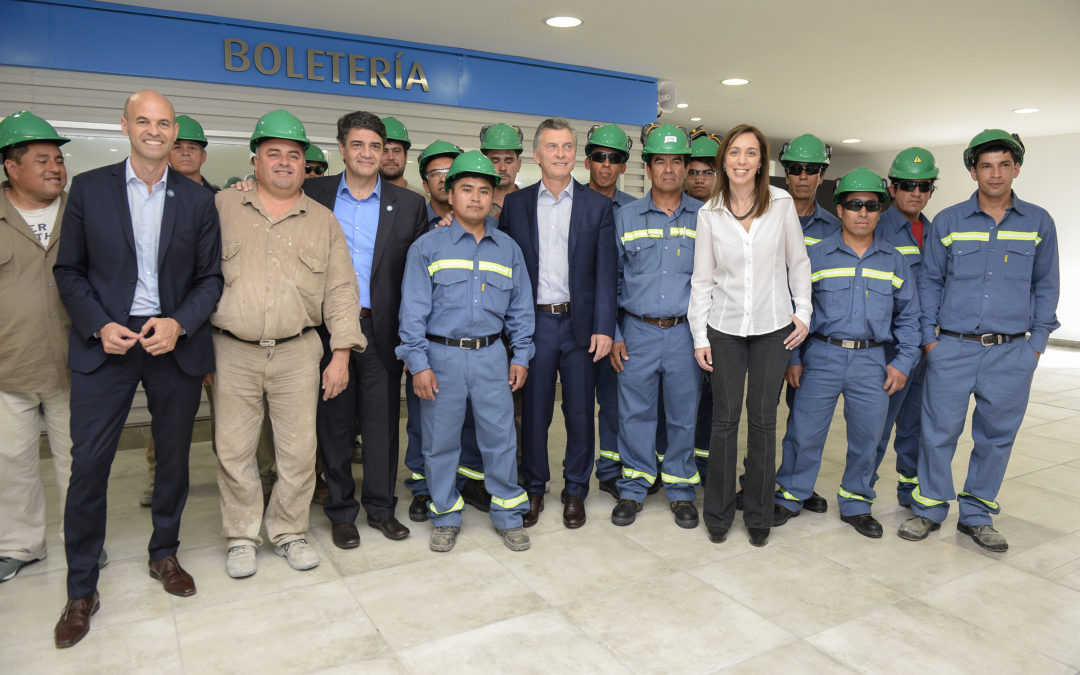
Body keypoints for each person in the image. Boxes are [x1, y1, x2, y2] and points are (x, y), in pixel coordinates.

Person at [52, 90, 222, 648]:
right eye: (144, 121)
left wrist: (180, 323)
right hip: (108, 343)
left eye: (164, 122)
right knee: (89, 465)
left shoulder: (198, 202)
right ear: (124, 125)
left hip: (170, 342)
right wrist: (99, 324)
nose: (154, 130)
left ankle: (165, 554)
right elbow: (69, 270)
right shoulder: (91, 189)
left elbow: (210, 281)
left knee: (173, 457)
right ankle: (81, 588)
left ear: (176, 132)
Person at [211, 109, 365, 578]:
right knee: (233, 449)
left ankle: (288, 530)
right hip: (232, 349)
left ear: (305, 164)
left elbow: (341, 291)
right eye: (273, 153)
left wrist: (340, 356)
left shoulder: (323, 221)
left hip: (300, 351)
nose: (283, 162)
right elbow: (194, 277)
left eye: (293, 155)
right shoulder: (220, 208)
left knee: (298, 451)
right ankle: (241, 535)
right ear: (255, 160)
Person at [899, 129, 1059, 552]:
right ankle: (930, 508)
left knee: (996, 436)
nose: (995, 173)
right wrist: (931, 341)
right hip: (952, 346)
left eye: (1004, 164)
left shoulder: (1039, 222)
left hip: (1012, 351)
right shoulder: (950, 222)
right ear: (973, 171)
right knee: (937, 432)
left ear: (1017, 168)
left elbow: (1046, 285)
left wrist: (1036, 344)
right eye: (986, 165)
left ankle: (977, 514)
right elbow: (930, 282)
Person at [398, 150, 535, 552]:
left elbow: (521, 311)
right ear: (450, 194)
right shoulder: (427, 248)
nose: (475, 198)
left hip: (493, 356)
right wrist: (418, 364)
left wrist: (521, 356)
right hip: (441, 359)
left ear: (494, 197)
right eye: (466, 189)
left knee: (500, 438)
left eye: (483, 190)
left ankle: (508, 514)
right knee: (440, 442)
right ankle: (445, 515)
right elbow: (412, 313)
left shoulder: (508, 249)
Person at [773, 168, 920, 538]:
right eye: (854, 204)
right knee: (803, 432)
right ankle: (791, 494)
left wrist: (903, 362)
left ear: (879, 210)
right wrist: (793, 358)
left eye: (871, 205)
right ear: (839, 209)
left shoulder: (894, 260)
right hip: (821, 357)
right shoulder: (816, 257)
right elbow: (796, 309)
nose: (862, 212)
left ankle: (856, 501)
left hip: (873, 360)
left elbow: (910, 317)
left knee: (868, 437)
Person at [303, 112, 427, 549]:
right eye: (358, 145)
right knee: (333, 422)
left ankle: (380, 508)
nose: (367, 153)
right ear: (342, 149)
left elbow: (419, 268)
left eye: (375, 146)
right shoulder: (312, 192)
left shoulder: (409, 204)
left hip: (381, 330)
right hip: (326, 331)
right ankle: (340, 511)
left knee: (382, 424)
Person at [688, 123, 811, 547]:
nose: (742, 161)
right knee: (724, 422)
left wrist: (804, 314)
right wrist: (699, 336)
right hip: (723, 328)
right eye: (735, 152)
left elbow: (799, 263)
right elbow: (702, 279)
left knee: (763, 422)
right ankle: (718, 513)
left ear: (763, 161)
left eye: (751, 153)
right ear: (724, 160)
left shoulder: (780, 204)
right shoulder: (710, 212)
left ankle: (758, 513)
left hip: (772, 329)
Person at [499, 118, 617, 529]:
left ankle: (575, 490)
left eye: (568, 146)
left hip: (580, 326)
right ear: (537, 155)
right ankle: (534, 489)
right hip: (533, 324)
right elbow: (506, 268)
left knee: (581, 412)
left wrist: (604, 326)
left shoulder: (597, 206)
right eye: (552, 147)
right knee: (534, 412)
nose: (561, 154)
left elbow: (606, 272)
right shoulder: (516, 205)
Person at [608, 124, 704, 529]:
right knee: (636, 413)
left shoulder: (707, 219)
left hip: (686, 333)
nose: (668, 169)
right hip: (637, 331)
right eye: (660, 161)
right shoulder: (625, 216)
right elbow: (610, 280)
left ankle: (682, 490)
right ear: (647, 167)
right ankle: (634, 486)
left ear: (685, 167)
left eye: (677, 161)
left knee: (684, 415)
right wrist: (613, 334)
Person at [0, 111, 81, 582]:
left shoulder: (81, 212)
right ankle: (19, 544)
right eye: (42, 159)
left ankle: (83, 539)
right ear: (12, 167)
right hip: (10, 365)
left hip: (76, 363)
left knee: (80, 462)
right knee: (12, 463)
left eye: (58, 159)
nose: (55, 167)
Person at [402, 140, 493, 520]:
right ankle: (426, 488)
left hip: (479, 349)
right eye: (437, 174)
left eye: (449, 172)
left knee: (473, 423)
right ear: (431, 183)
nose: (445, 181)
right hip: (431, 343)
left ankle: (469, 480)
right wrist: (415, 355)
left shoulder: (491, 231)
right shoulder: (414, 220)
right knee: (428, 422)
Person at [872, 147, 938, 507]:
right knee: (879, 425)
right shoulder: (876, 226)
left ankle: (908, 489)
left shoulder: (935, 230)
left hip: (927, 346)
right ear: (893, 188)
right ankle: (861, 488)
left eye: (924, 185)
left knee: (916, 425)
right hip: (891, 348)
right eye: (908, 185)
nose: (916, 192)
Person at [583, 123, 640, 498]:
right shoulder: (571, 202)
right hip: (571, 319)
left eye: (615, 159)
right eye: (600, 157)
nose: (606, 165)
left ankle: (610, 469)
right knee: (575, 405)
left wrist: (616, 331)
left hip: (613, 324)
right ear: (588, 161)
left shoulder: (634, 211)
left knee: (614, 403)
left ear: (623, 166)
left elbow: (629, 277)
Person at [480, 123, 523, 219]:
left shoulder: (531, 203)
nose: (502, 168)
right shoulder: (474, 203)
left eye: (509, 161)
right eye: (495, 161)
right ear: (485, 164)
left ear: (519, 165)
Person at [379, 116, 427, 197]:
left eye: (396, 151)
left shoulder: (423, 201)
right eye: (384, 151)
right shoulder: (361, 198)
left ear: (406, 156)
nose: (390, 157)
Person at [169, 115, 217, 190]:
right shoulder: (155, 195)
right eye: (177, 147)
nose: (185, 153)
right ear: (166, 156)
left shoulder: (216, 198)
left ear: (203, 156)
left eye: (192, 148)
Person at [684, 130, 720, 201]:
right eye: (693, 173)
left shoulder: (728, 208)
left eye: (708, 173)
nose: (699, 180)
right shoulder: (672, 206)